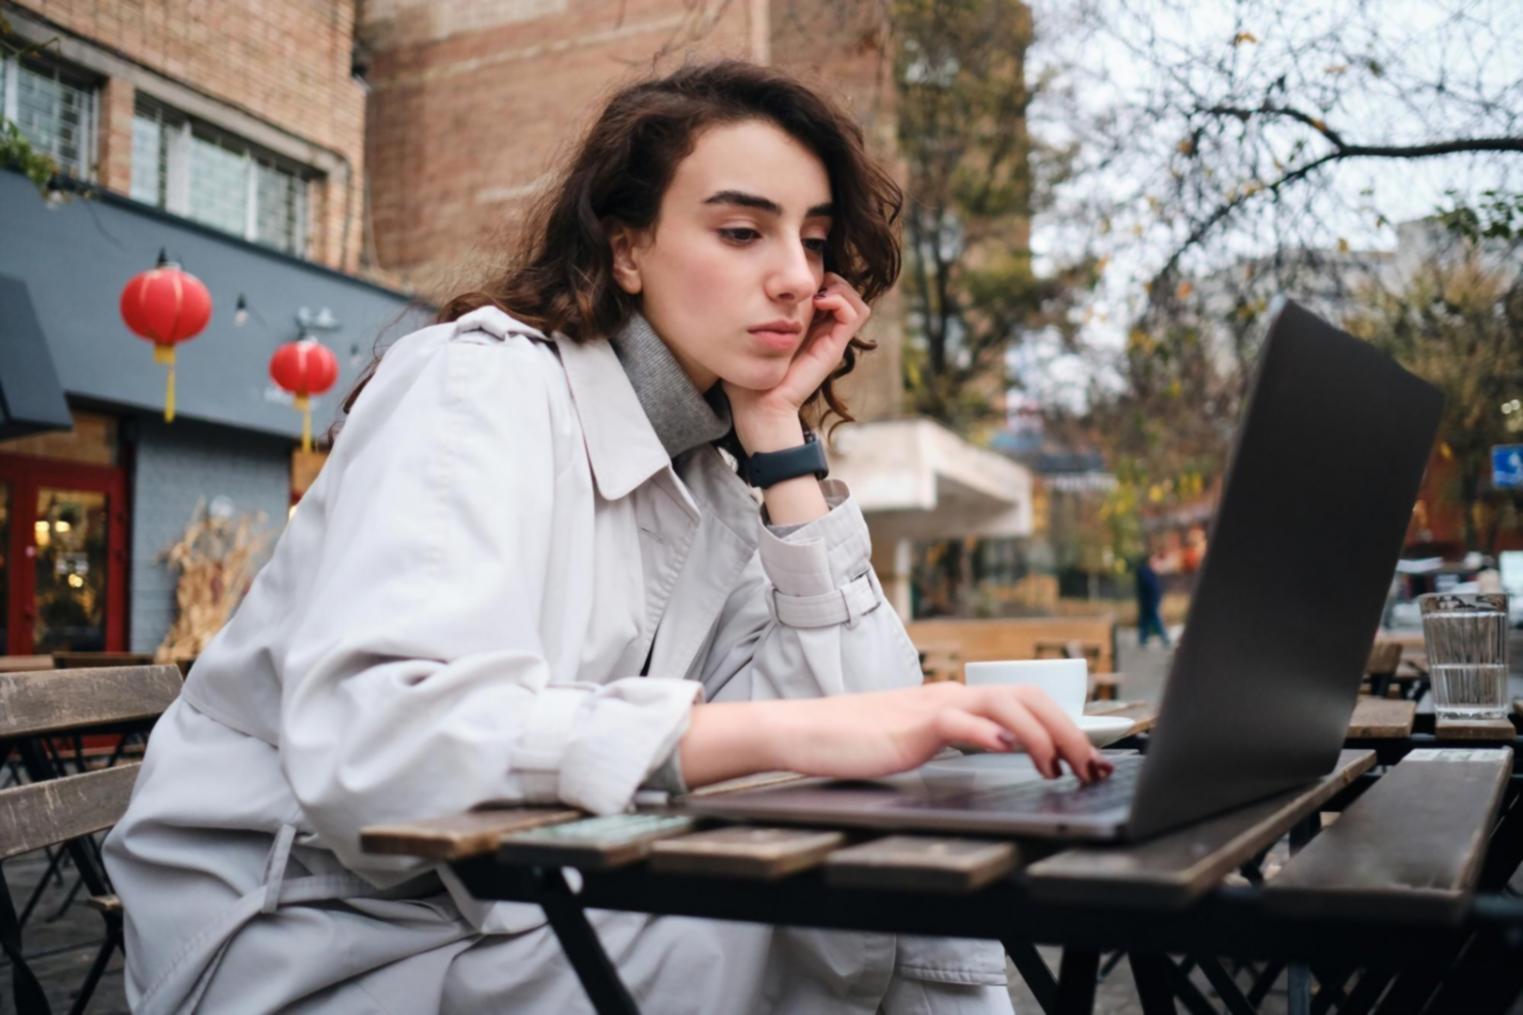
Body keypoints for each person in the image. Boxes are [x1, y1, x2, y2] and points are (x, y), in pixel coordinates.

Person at [104, 61, 1110, 1013]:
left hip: (508, 902)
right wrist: (783, 733)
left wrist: (778, 438)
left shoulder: (716, 467)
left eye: (809, 240)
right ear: (625, 248)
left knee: (857, 894)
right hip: (311, 936)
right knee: (785, 919)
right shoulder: (480, 384)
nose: (796, 279)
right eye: (740, 232)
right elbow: (383, 746)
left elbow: (860, 726)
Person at [1135, 553, 1170, 648]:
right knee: (1155, 620)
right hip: (1149, 602)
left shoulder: (1148, 572)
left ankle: (1143, 639)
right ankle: (1165, 638)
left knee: (1146, 621)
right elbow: (1151, 588)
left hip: (1149, 601)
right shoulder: (1146, 572)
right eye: (1154, 561)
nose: (1157, 564)